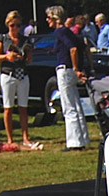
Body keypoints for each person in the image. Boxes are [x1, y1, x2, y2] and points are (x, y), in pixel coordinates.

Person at [45, 5, 90, 151]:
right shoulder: (69, 32)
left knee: (69, 107)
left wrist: (76, 68)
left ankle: (74, 142)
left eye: (49, 17)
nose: (47, 20)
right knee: (76, 105)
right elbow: (82, 47)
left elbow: (73, 48)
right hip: (70, 70)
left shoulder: (60, 32)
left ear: (55, 18)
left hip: (65, 70)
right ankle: (83, 138)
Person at [0, 11, 38, 149]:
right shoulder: (2, 38)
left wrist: (27, 56)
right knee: (8, 108)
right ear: (8, 25)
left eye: (18, 25)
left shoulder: (25, 39)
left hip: (22, 74)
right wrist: (7, 56)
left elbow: (30, 58)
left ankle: (25, 137)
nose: (15, 28)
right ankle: (10, 138)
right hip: (8, 75)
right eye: (13, 25)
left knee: (23, 108)